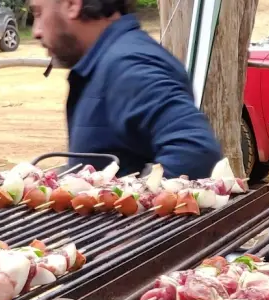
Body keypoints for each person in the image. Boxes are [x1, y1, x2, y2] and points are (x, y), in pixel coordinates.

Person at [30, 0, 222, 178]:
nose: (36, 31)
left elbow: (195, 153)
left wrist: (138, 201)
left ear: (72, 4)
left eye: (39, 12)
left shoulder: (128, 66)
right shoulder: (106, 63)